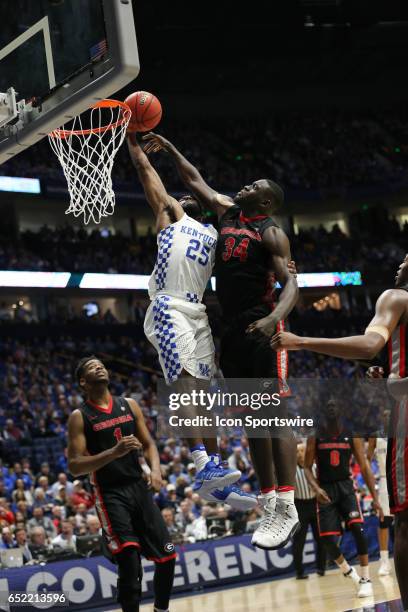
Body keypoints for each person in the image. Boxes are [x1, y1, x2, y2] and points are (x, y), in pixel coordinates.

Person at [142, 132, 299, 550]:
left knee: (273, 414)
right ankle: (270, 503)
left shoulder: (271, 233)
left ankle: (287, 501)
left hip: (261, 325)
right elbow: (194, 180)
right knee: (252, 420)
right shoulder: (226, 214)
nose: (245, 186)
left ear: (266, 203)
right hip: (229, 330)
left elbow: (292, 285)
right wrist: (171, 147)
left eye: (256, 188)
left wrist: (274, 319)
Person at [127, 135, 256, 511]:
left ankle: (215, 477)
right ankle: (202, 465)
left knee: (202, 394)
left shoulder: (217, 234)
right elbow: (145, 169)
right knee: (185, 384)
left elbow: (229, 208)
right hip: (168, 306)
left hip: (198, 313)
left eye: (190, 199)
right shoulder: (169, 214)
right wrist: (133, 140)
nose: (181, 200)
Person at [272, 253, 408, 608]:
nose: (400, 262)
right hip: (328, 486)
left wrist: (302, 341)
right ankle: (357, 573)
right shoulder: (322, 433)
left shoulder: (396, 297)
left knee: (404, 521)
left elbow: (369, 345)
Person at [68, 356, 176, 612]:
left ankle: (161, 610)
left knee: (168, 555)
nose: (99, 367)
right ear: (83, 382)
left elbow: (149, 444)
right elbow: (74, 466)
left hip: (139, 487)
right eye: (92, 367)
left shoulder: (128, 405)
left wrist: (157, 470)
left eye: (101, 364)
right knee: (129, 560)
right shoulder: (80, 416)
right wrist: (113, 453)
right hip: (109, 493)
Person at [303, 399, 382, 597]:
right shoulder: (315, 435)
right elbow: (306, 466)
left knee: (358, 528)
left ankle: (366, 578)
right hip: (326, 489)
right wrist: (315, 487)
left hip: (346, 487)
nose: (331, 407)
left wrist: (375, 497)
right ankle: (350, 572)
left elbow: (364, 466)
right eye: (327, 405)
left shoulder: (351, 433)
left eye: (334, 404)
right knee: (328, 540)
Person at [292, 442, 326, 580]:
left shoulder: (315, 467)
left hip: (315, 504)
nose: (300, 453)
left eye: (302, 450)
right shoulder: (290, 470)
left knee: (321, 539)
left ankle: (321, 567)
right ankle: (299, 572)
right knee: (299, 541)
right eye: (297, 451)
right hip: (299, 506)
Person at [367, 403, 394, 576]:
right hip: (384, 481)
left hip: (400, 479)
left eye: (390, 416)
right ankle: (384, 561)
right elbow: (367, 461)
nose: (387, 419)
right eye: (385, 416)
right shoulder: (375, 436)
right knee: (383, 521)